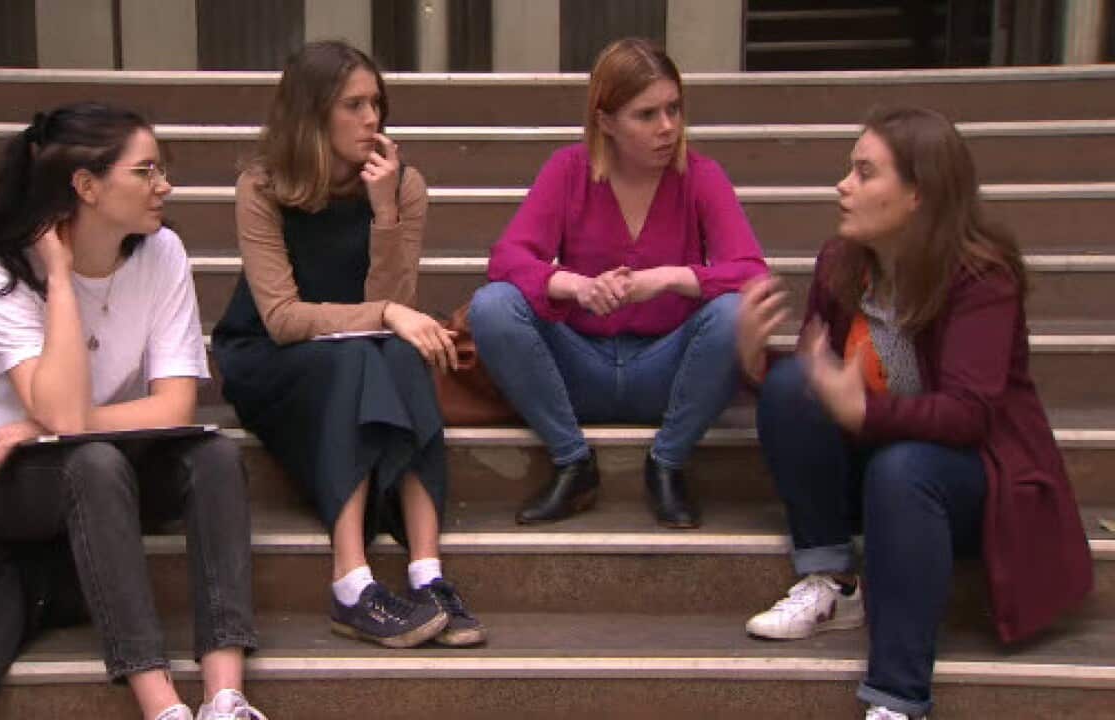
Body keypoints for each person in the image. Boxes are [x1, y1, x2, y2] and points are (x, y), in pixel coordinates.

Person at [736, 105, 1093, 720]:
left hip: (969, 477)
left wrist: (864, 413)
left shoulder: (981, 278)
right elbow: (822, 385)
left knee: (903, 468)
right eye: (850, 170)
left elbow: (968, 417)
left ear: (917, 196)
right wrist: (752, 363)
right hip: (878, 464)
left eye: (865, 172)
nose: (843, 186)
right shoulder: (842, 262)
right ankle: (832, 582)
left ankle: (898, 700)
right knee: (793, 385)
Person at [0, 103, 266, 720]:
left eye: (160, 170)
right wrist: (59, 276)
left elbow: (175, 403)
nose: (164, 186)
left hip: (87, 447)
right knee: (90, 462)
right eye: (145, 172)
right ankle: (160, 703)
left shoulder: (162, 251)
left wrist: (40, 427)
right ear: (86, 187)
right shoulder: (2, 272)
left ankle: (226, 696)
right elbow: (66, 417)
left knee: (216, 455)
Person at [211, 41, 485, 650]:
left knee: (397, 353)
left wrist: (383, 211)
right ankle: (351, 582)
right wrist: (386, 313)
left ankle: (427, 571)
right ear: (312, 114)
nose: (372, 120)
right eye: (354, 105)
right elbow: (282, 318)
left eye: (377, 104)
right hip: (269, 358)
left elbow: (397, 300)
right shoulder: (262, 187)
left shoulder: (402, 185)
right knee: (362, 353)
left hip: (363, 351)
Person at [467, 37, 768, 528]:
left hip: (666, 370)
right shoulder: (568, 170)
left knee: (736, 311)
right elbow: (507, 258)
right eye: (646, 114)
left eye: (673, 108)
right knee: (492, 306)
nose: (667, 126)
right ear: (605, 121)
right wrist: (575, 286)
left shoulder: (701, 176)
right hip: (577, 367)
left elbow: (752, 272)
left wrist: (673, 278)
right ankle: (573, 462)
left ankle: (668, 463)